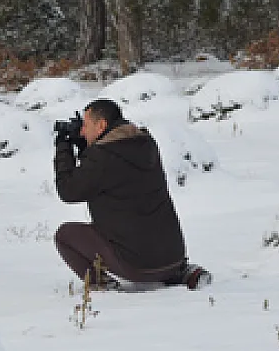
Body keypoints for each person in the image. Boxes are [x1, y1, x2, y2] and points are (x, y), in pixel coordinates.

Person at [53, 98, 210, 291]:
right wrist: (86, 146)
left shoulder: (102, 157)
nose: (82, 131)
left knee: (64, 235)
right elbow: (111, 169)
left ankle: (102, 284)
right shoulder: (145, 144)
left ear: (101, 125)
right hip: (173, 257)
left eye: (85, 125)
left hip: (137, 266)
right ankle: (183, 273)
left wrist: (63, 147)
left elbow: (68, 191)